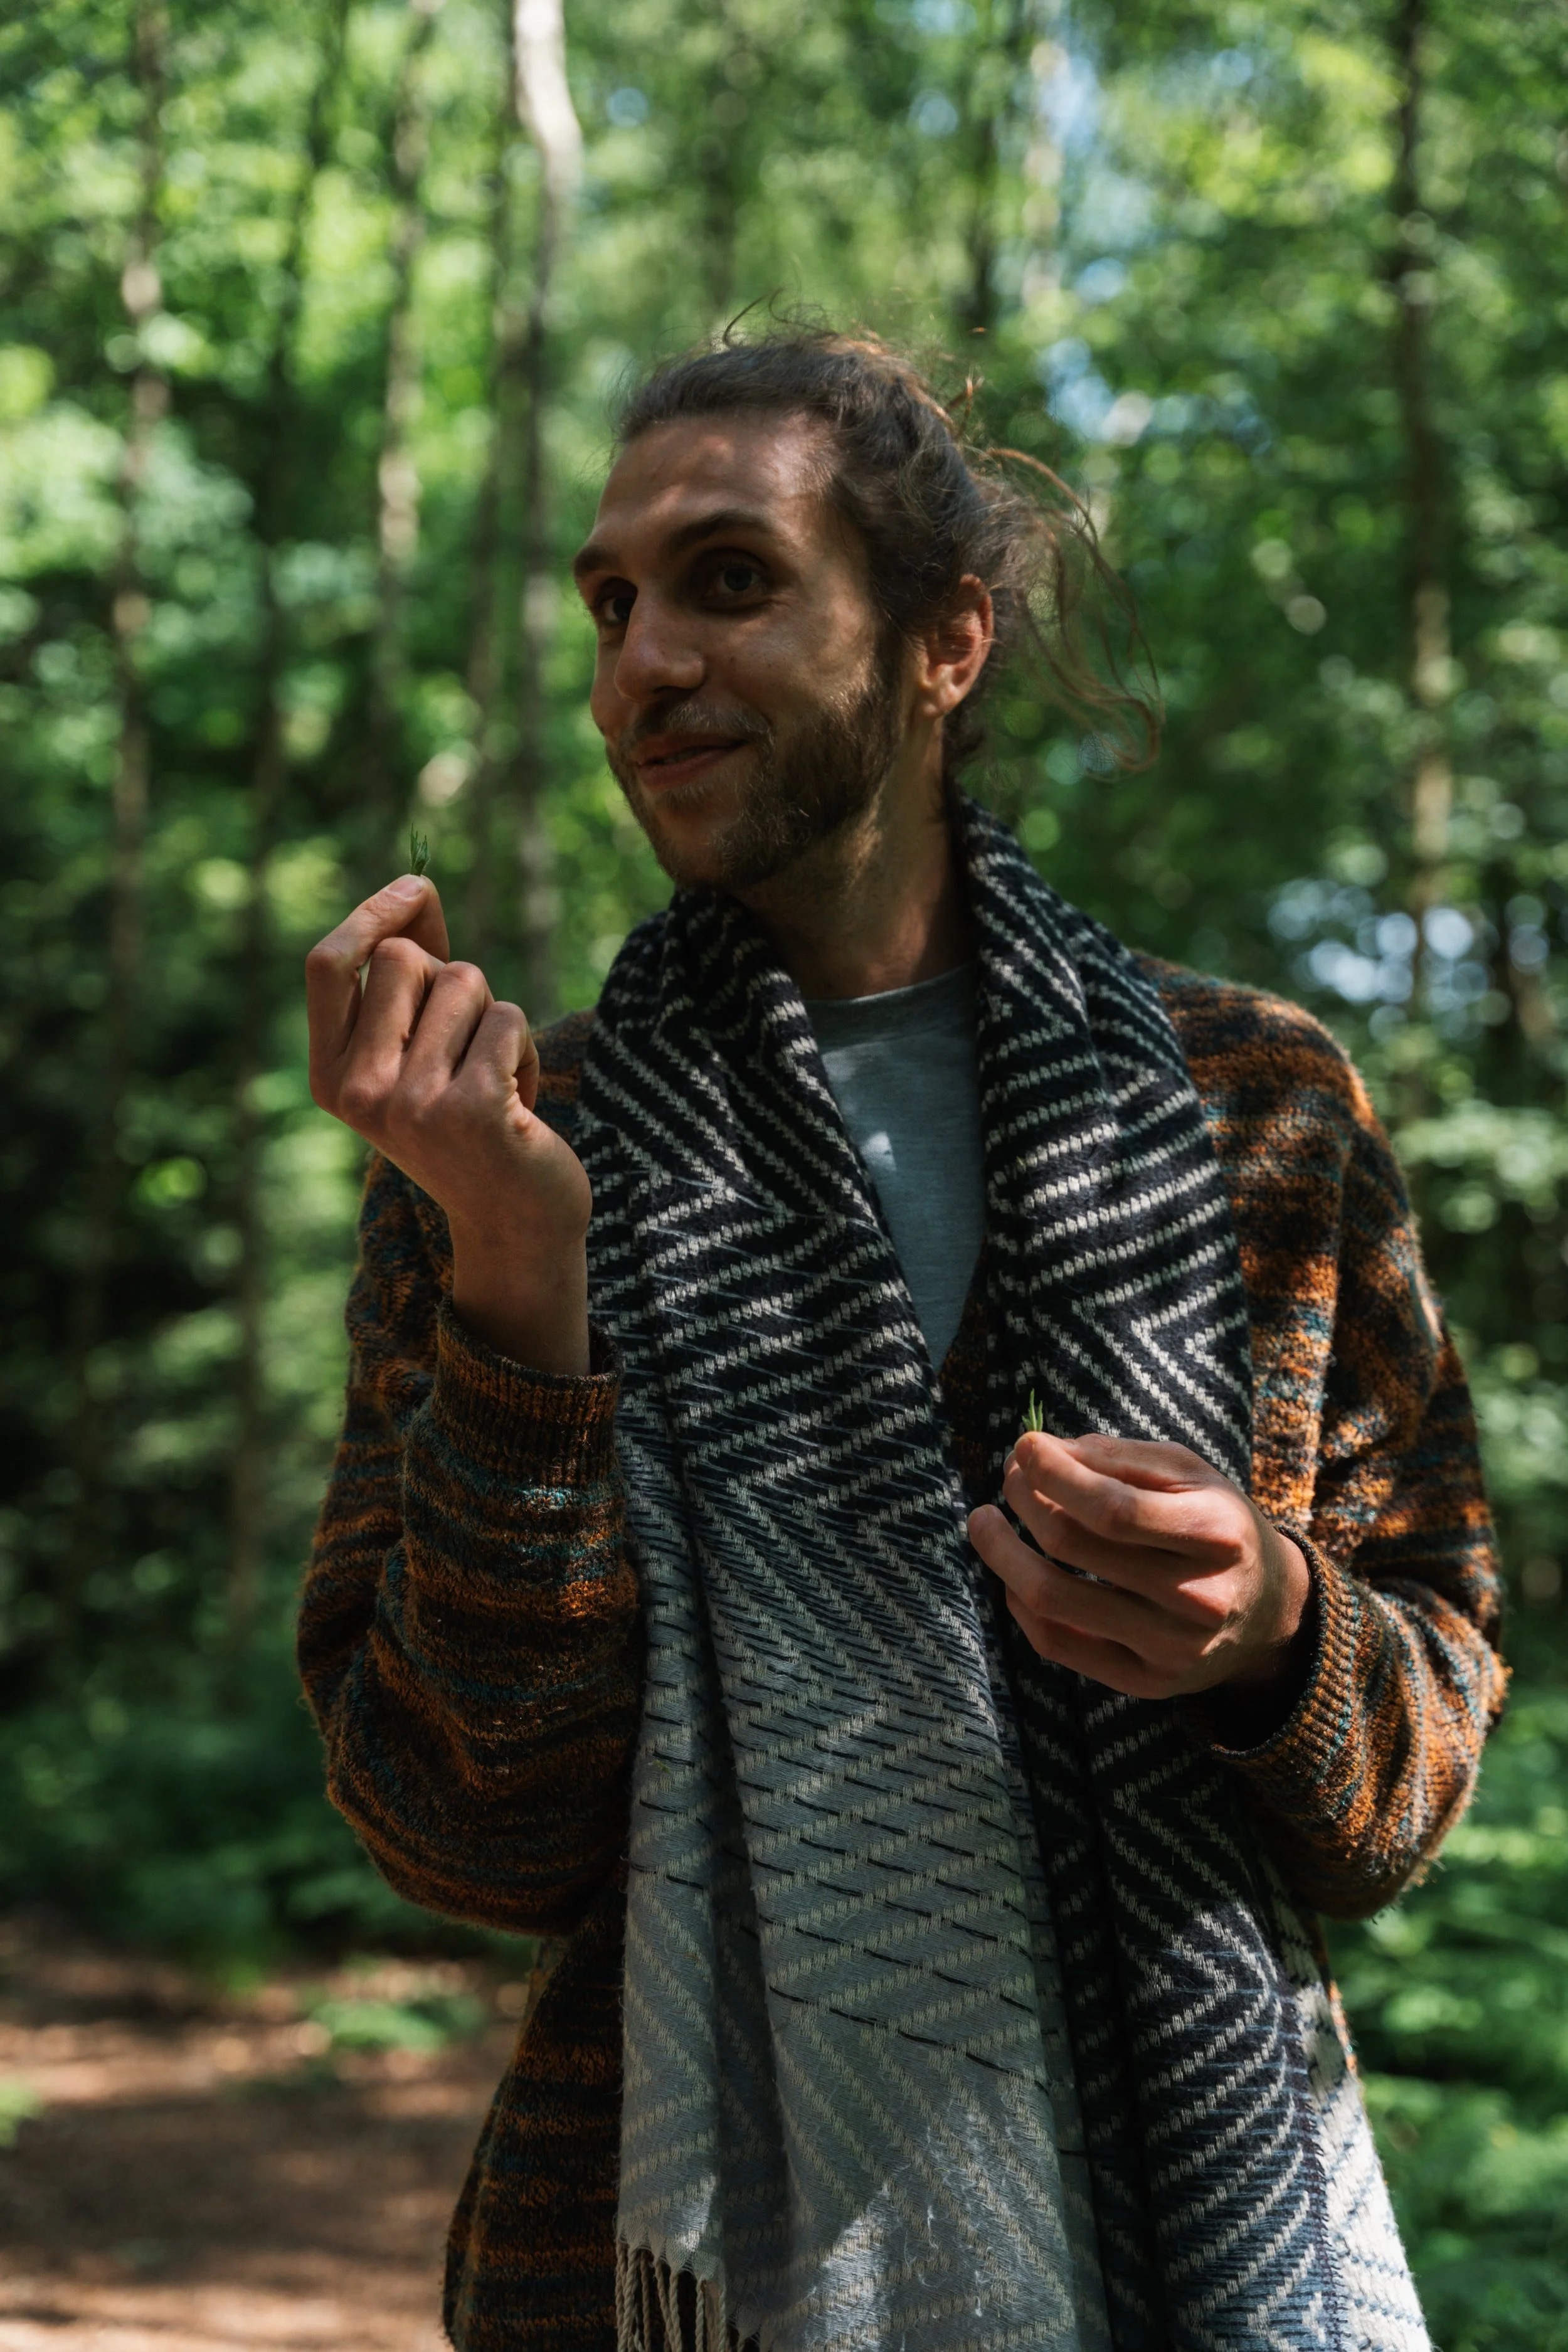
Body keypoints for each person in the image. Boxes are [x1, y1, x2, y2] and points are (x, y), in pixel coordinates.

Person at [299, 329, 1505, 2352]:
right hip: (661, 2272)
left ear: (941, 646)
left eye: (726, 579)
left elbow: (1415, 1767)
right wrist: (519, 1280)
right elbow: (459, 1829)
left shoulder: (1253, 1114)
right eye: (610, 602)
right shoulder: (516, 1143)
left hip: (1177, 2254)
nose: (640, 663)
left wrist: (1275, 1632)